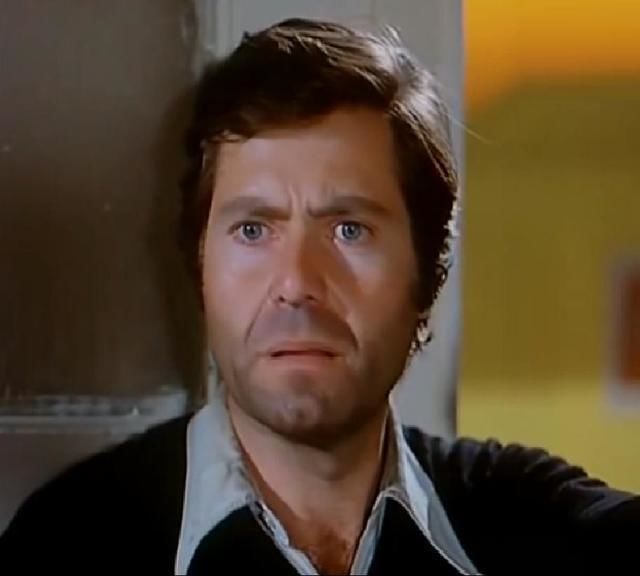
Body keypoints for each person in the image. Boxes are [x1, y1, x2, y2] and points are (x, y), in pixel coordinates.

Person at [0, 17, 638, 575]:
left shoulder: (528, 524)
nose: (297, 283)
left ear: (426, 273)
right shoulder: (74, 541)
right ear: (200, 266)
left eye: (349, 230)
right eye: (254, 230)